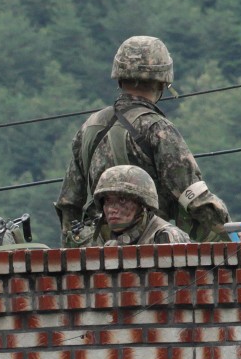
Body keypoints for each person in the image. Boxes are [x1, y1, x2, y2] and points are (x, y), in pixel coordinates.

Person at [55, 35, 231, 247]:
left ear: (119, 78)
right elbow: (194, 198)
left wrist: (72, 257)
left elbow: (69, 203)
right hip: (152, 250)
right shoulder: (158, 129)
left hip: (98, 255)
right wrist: (233, 238)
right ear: (163, 82)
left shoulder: (89, 128)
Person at [88, 165, 191, 246]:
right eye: (107, 200)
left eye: (122, 200)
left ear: (142, 204)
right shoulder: (98, 239)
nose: (111, 209)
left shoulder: (166, 237)